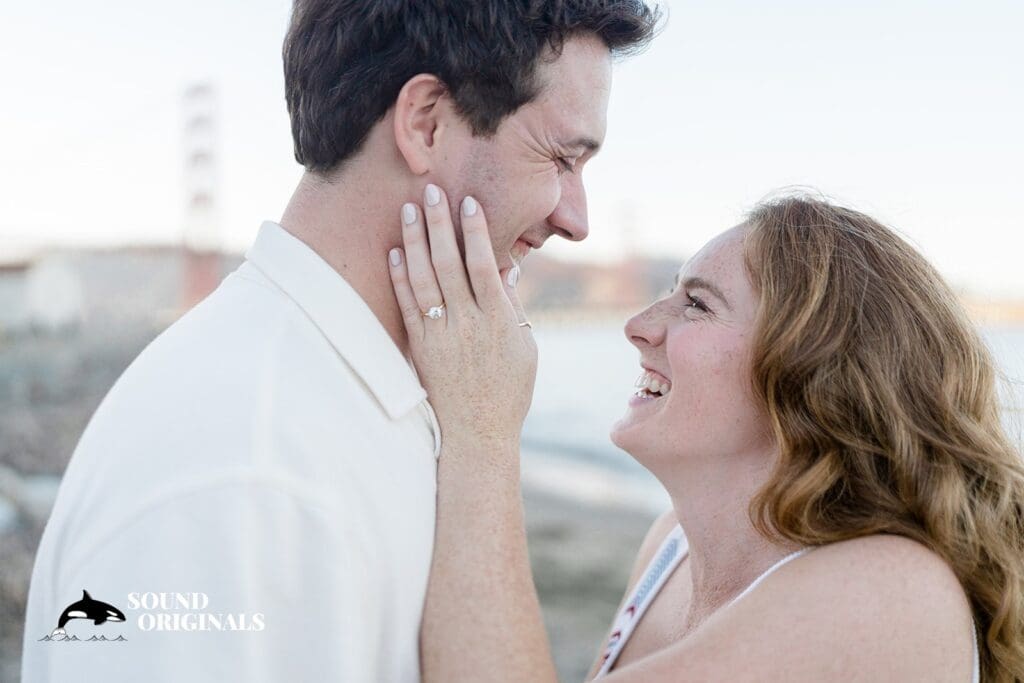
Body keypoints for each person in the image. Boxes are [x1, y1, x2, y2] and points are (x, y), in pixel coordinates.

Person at [20, 2, 659, 681]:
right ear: (426, 123)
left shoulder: (371, 396)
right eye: (561, 157)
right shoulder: (240, 472)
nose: (578, 219)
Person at [387, 191, 1024, 681]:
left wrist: (482, 427)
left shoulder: (887, 590)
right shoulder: (670, 548)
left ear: (814, 372)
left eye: (697, 304)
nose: (638, 325)